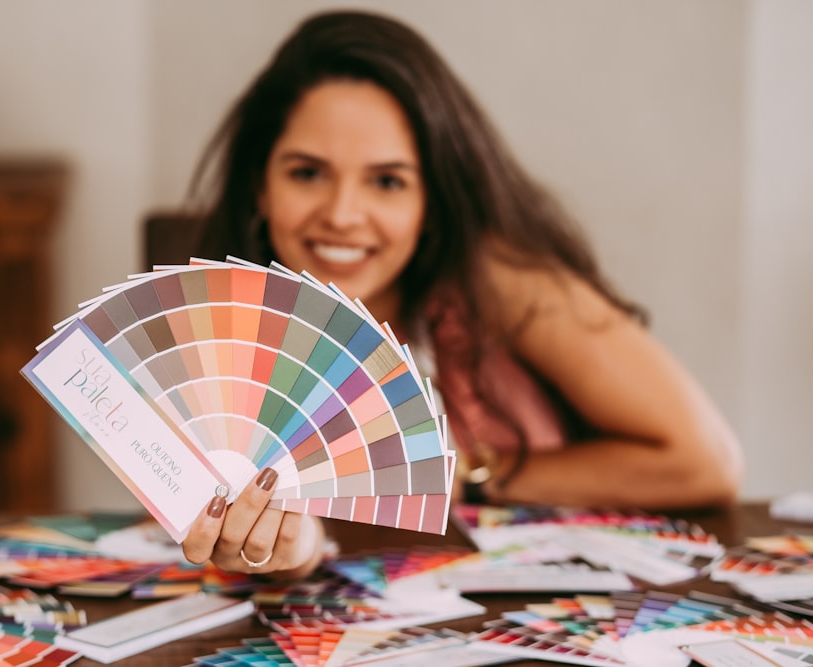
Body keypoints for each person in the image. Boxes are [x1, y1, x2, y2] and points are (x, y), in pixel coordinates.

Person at [178, 9, 744, 578]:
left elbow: (705, 462)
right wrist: (286, 551)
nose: (344, 215)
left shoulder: (497, 280)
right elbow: (293, 541)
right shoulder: (222, 330)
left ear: (433, 199)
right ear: (261, 184)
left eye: (387, 181)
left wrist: (468, 473)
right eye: (307, 173)